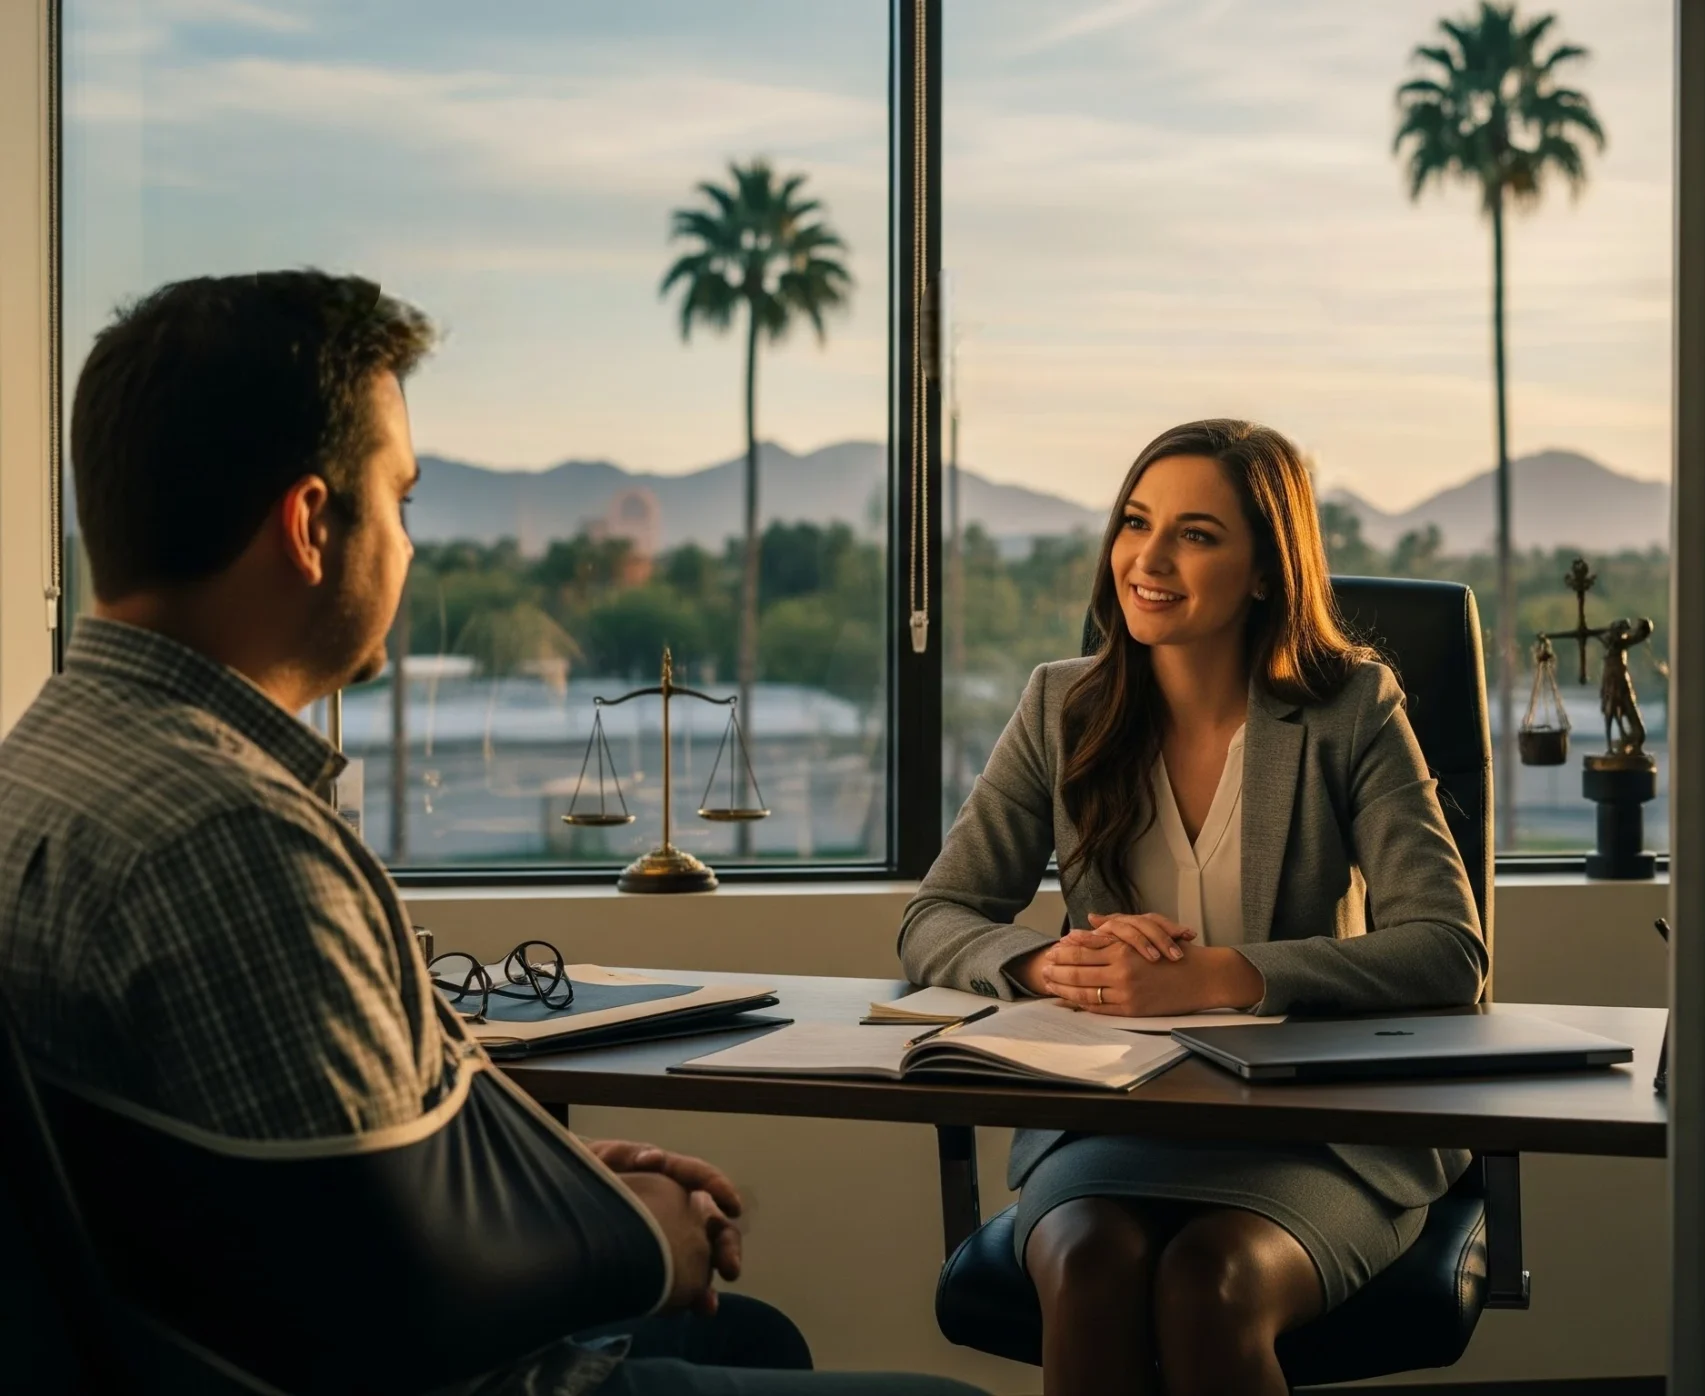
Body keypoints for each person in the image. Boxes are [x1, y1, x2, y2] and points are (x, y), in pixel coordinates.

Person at [0, 271, 982, 1396]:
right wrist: (635, 1238)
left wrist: (552, 1189)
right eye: (402, 499)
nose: (410, 548)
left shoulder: (48, 768)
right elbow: (393, 1299)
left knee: (751, 1338)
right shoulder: (229, 837)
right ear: (313, 523)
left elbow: (280, 1186)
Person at [901, 419, 1488, 1396]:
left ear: (1265, 569)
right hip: (1107, 1123)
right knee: (1092, 1270)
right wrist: (1052, 965)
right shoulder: (1061, 706)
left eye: (1197, 534)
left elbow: (1446, 952)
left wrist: (1225, 973)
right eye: (1136, 522)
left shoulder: (1352, 712)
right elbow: (936, 919)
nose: (1149, 558)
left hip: (1317, 1131)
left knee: (1208, 1283)